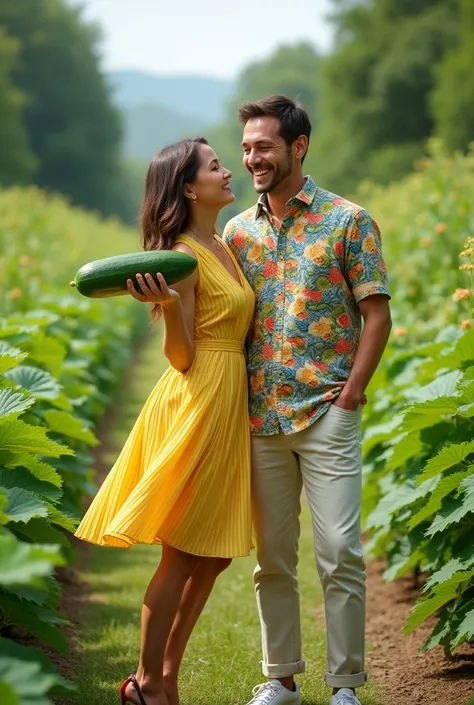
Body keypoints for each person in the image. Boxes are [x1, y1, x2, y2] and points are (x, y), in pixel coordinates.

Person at [223, 95, 392, 705]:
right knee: (271, 558)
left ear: (299, 146)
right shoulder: (236, 232)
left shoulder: (349, 221)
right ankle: (281, 679)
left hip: (328, 412)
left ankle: (344, 685)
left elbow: (377, 315)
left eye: (263, 146)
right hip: (261, 416)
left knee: (341, 551)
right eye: (245, 148)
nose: (252, 158)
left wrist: (351, 395)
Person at [75, 137, 255, 705]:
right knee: (180, 548)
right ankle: (150, 682)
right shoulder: (181, 257)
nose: (228, 172)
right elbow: (180, 357)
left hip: (228, 397)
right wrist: (175, 308)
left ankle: (161, 676)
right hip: (198, 396)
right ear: (186, 186)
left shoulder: (223, 244)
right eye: (215, 166)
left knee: (216, 551)